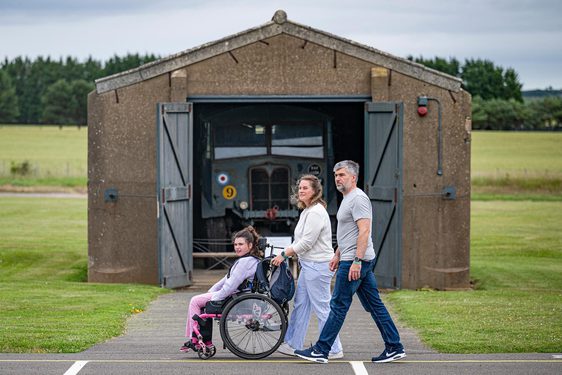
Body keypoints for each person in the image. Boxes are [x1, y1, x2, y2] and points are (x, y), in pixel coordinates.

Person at [294, 160, 406, 364]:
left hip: (355, 261)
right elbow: (349, 233)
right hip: (351, 258)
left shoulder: (358, 199)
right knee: (375, 306)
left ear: (353, 177)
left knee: (338, 305)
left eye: (342, 175)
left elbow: (364, 231)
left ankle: (321, 350)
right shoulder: (348, 198)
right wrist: (338, 253)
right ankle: (394, 346)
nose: (338, 178)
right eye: (336, 175)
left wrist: (356, 260)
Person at [271, 175, 344, 359]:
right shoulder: (307, 211)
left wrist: (283, 254)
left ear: (315, 191)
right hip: (309, 265)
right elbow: (301, 241)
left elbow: (306, 243)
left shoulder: (316, 212)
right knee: (301, 304)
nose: (301, 190)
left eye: (306, 188)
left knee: (322, 308)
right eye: (300, 188)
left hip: (318, 266)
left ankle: (333, 348)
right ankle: (292, 344)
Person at [180, 226, 262, 353]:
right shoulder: (248, 260)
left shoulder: (245, 262)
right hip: (237, 295)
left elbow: (230, 286)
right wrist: (211, 292)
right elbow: (226, 279)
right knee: (201, 301)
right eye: (235, 244)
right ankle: (204, 340)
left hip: (236, 298)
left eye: (241, 244)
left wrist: (214, 298)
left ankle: (195, 340)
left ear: (250, 245)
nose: (237, 247)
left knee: (195, 301)